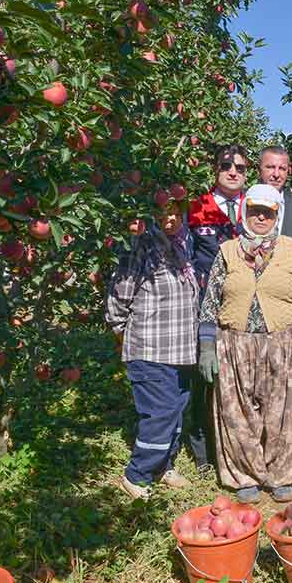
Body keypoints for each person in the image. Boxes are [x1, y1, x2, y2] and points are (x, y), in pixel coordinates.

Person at [198, 184, 292, 504]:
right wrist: (207, 347)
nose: (260, 218)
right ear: (244, 213)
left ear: (276, 216)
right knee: (237, 412)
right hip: (235, 343)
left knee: (283, 413)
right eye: (254, 211)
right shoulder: (227, 251)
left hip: (284, 343)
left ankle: (282, 474)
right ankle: (245, 475)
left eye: (267, 213)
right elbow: (210, 303)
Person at [106, 199, 199, 500]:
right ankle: (137, 474)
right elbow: (119, 296)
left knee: (176, 410)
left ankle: (163, 466)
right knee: (160, 413)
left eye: (175, 211)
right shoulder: (141, 246)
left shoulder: (180, 245)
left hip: (180, 350)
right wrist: (122, 333)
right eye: (162, 212)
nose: (170, 218)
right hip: (150, 348)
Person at [186, 144, 249, 468]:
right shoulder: (197, 206)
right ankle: (203, 449)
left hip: (243, 304)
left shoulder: (255, 206)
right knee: (205, 375)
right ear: (214, 169)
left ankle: (235, 446)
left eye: (240, 167)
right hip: (205, 304)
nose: (233, 171)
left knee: (238, 376)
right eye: (226, 165)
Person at [258, 145, 292, 238]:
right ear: (258, 169)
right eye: (270, 167)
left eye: (282, 169)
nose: (276, 174)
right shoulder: (244, 200)